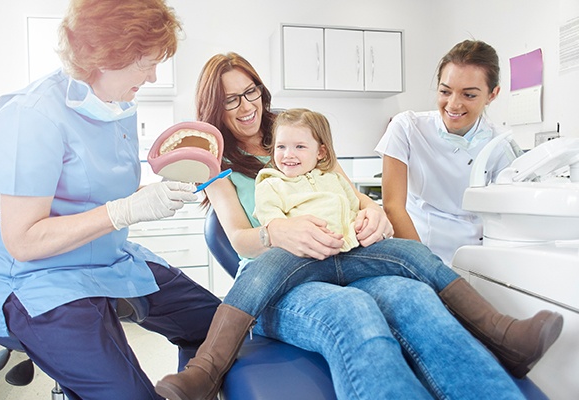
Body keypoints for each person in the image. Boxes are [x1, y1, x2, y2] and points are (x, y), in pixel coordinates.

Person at [155, 52, 537, 400]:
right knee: (351, 309)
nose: (245, 106)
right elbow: (238, 238)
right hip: (278, 283)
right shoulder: (218, 162)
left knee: (416, 299)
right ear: (215, 106)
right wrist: (276, 233)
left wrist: (376, 214)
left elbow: (353, 195)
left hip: (346, 259)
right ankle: (205, 371)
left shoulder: (299, 132)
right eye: (230, 99)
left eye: (250, 92)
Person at [0, 1, 221, 399]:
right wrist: (126, 210)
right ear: (105, 56)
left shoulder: (116, 104)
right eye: (145, 62)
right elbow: (23, 241)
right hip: (40, 282)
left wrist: (151, 197)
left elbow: (99, 196)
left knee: (219, 328)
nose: (154, 74)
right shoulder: (31, 116)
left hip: (107, 259)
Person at [375, 39, 522, 265]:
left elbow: (507, 218)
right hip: (417, 246)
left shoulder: (500, 144)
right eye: (445, 91)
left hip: (475, 254)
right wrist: (425, 267)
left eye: (469, 95)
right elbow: (393, 207)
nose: (453, 104)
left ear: (492, 94)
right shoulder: (407, 127)